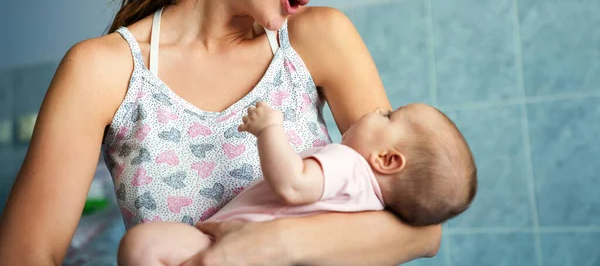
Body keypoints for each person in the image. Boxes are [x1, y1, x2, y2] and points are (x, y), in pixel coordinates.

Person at [0, 0, 443, 265]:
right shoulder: (102, 71)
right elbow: (24, 254)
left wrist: (271, 245)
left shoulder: (319, 39)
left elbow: (421, 227)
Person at [117, 102, 477, 266]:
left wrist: (269, 129)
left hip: (229, 241)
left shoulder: (348, 164)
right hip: (244, 250)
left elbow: (291, 184)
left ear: (386, 160)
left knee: (143, 245)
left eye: (388, 115)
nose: (377, 109)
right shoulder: (371, 204)